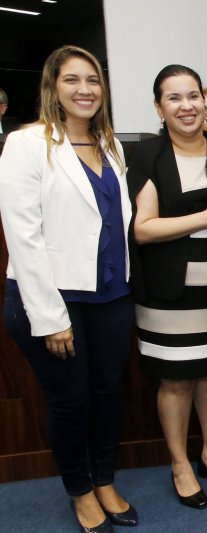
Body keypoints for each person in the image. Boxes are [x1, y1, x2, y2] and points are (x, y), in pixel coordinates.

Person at [0, 45, 137, 532]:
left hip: (111, 297)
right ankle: (79, 491)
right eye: (72, 80)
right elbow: (24, 235)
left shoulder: (111, 145)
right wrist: (50, 316)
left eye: (93, 81)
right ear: (53, 88)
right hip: (53, 300)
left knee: (107, 394)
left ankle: (104, 479)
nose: (85, 90)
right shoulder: (27, 143)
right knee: (70, 401)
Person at [127, 64, 207, 510]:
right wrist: (205, 219)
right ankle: (180, 464)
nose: (187, 106)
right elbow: (144, 229)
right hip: (166, 292)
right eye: (174, 98)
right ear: (159, 107)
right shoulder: (148, 156)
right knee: (176, 380)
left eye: (193, 96)